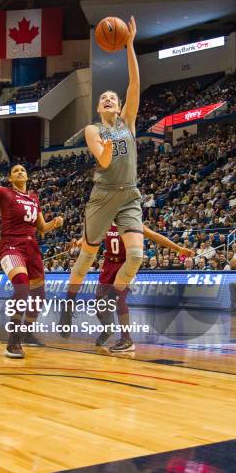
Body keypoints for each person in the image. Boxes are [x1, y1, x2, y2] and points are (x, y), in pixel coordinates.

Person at [62, 17, 143, 334]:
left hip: (129, 194)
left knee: (135, 256)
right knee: (86, 257)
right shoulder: (93, 129)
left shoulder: (128, 123)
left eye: (113, 97)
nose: (108, 98)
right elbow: (103, 158)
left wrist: (129, 45)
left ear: (120, 105)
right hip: (103, 195)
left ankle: (112, 298)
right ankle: (68, 308)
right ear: (98, 108)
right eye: (103, 98)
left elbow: (134, 85)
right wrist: (107, 146)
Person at [0, 146, 63, 358]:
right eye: (16, 171)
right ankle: (12, 341)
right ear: (10, 178)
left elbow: (41, 228)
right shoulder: (4, 192)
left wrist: (54, 223)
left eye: (23, 170)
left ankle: (27, 333)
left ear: (27, 175)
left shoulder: (34, 197)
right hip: (11, 245)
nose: (20, 172)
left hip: (31, 247)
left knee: (39, 296)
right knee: (22, 288)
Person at [93, 224, 195, 351]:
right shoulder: (106, 221)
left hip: (126, 263)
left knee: (119, 300)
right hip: (109, 264)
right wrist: (79, 243)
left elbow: (154, 235)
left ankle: (126, 339)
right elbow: (92, 237)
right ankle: (108, 329)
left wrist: (178, 248)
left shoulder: (131, 220)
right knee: (99, 302)